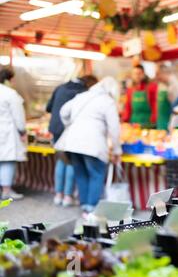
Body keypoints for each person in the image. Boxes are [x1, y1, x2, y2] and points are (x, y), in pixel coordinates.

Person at [55, 77, 122, 214]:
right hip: (94, 144)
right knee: (96, 174)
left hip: (72, 142)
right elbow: (114, 128)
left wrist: (69, 125)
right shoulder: (107, 102)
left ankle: (84, 205)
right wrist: (116, 150)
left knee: (81, 174)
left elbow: (63, 112)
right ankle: (91, 208)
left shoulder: (81, 96)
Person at [46, 75, 98, 206]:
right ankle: (68, 196)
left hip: (56, 129)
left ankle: (58, 195)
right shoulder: (83, 93)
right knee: (71, 162)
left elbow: (48, 107)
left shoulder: (60, 88)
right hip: (72, 130)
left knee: (60, 160)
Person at [0, 68, 26, 200]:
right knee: (7, 161)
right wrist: (22, 131)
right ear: (9, 79)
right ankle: (6, 191)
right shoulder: (10, 93)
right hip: (6, 131)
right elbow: (19, 116)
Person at [121, 64, 158, 129]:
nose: (137, 76)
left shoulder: (152, 87)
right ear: (132, 75)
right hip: (133, 123)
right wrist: (124, 120)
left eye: (139, 73)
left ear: (143, 74)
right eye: (135, 74)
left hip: (148, 124)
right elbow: (128, 107)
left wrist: (154, 120)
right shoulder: (130, 90)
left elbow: (155, 105)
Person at [155, 63, 178, 130]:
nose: (157, 77)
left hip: (173, 125)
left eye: (158, 74)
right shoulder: (165, 84)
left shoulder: (174, 86)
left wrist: (171, 125)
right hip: (163, 123)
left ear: (163, 73)